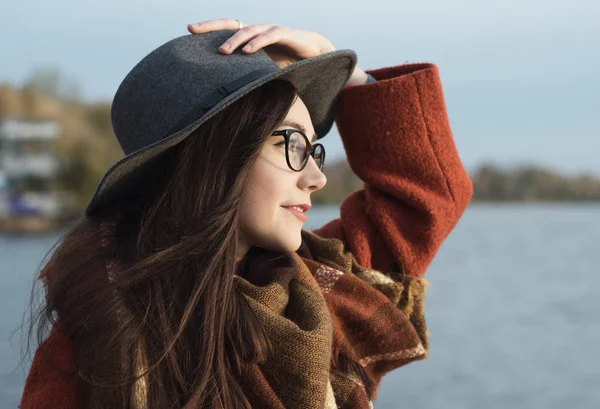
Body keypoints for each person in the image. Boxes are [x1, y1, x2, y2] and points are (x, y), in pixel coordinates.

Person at [20, 18, 473, 409]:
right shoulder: (100, 339)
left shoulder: (325, 291)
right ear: (217, 159)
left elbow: (426, 198)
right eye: (292, 144)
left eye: (313, 149)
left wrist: (344, 70)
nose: (316, 177)